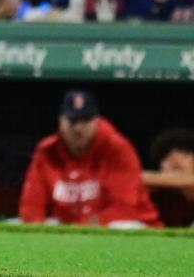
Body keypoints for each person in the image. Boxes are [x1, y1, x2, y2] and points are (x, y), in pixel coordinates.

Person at [19, 90, 160, 227]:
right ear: (61, 122)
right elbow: (31, 207)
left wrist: (79, 228)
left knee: (121, 225)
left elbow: (123, 209)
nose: (78, 128)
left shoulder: (117, 148)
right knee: (20, 225)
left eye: (85, 120)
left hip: (131, 228)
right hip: (75, 228)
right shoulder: (47, 151)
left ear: (97, 121)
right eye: (72, 121)